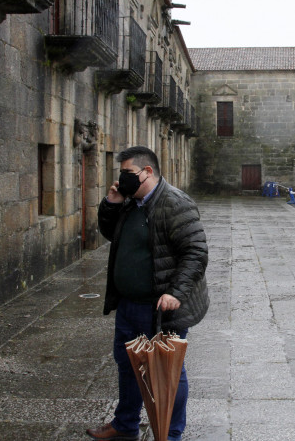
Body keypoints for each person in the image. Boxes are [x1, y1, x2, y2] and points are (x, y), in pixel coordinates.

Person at [87, 146, 209, 441]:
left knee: (167, 375)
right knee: (127, 366)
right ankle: (125, 425)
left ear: (147, 172)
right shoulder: (130, 202)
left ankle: (170, 434)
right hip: (128, 305)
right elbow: (110, 233)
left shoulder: (175, 203)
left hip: (162, 308)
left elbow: (195, 252)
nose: (122, 179)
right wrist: (111, 203)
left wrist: (176, 293)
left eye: (128, 173)